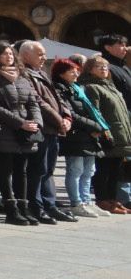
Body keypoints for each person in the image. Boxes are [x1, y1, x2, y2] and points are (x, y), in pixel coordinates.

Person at [0, 40, 43, 225]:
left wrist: (36, 122)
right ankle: (11, 210)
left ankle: (23, 207)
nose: (9, 56)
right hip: (5, 130)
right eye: (4, 54)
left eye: (11, 53)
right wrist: (20, 123)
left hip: (26, 131)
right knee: (6, 170)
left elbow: (33, 102)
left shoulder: (22, 77)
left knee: (22, 171)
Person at [20, 41, 75, 223]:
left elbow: (58, 98)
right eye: (40, 54)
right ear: (26, 55)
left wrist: (67, 117)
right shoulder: (25, 74)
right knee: (38, 169)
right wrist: (60, 121)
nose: (44, 57)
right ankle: (37, 206)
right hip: (42, 127)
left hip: (53, 129)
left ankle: (50, 205)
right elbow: (38, 102)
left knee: (49, 169)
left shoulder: (42, 73)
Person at [54, 58, 110, 217]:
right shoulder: (60, 89)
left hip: (88, 135)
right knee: (76, 169)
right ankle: (76, 203)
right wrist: (94, 126)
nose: (76, 73)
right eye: (71, 70)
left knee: (89, 170)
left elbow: (90, 110)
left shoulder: (78, 88)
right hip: (75, 136)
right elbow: (71, 113)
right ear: (61, 72)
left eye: (77, 70)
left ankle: (86, 201)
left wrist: (97, 126)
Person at [83, 54, 131, 212]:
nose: (104, 69)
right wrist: (105, 132)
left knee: (115, 170)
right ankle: (102, 199)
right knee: (104, 169)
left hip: (121, 133)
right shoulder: (91, 87)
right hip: (109, 133)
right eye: (99, 66)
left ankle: (113, 199)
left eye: (105, 66)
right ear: (90, 70)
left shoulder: (111, 86)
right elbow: (94, 111)